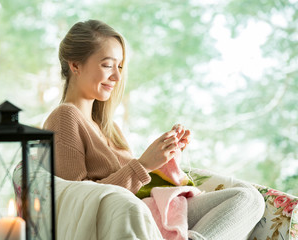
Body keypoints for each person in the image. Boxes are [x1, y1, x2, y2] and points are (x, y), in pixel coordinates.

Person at [43, 19, 265, 240]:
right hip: (129, 219)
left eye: (119, 67)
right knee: (247, 199)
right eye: (107, 65)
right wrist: (143, 165)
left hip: (149, 214)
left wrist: (166, 155)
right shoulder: (65, 117)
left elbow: (132, 184)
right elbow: (76, 204)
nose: (117, 77)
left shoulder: (107, 126)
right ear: (75, 65)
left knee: (249, 199)